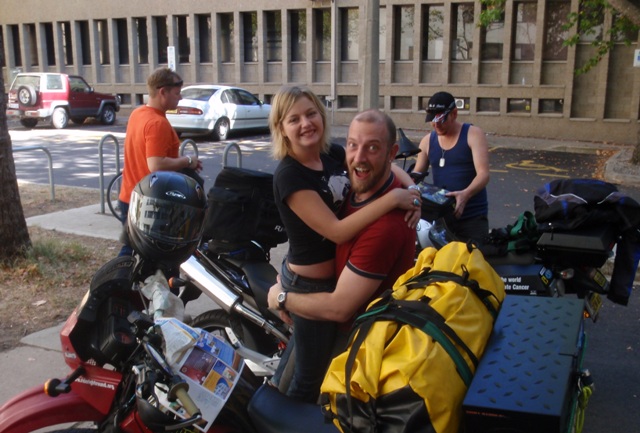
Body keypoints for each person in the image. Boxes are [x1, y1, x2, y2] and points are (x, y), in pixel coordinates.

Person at [269, 86, 420, 403]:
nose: (306, 123)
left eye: (311, 113)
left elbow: (380, 163)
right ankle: (284, 417)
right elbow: (337, 232)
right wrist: (393, 199)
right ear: (281, 128)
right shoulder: (289, 175)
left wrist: (412, 190)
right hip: (309, 284)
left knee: (306, 363)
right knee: (308, 377)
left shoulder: (331, 154)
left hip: (334, 280)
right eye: (294, 119)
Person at [117, 67, 202, 255]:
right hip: (149, 202)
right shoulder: (157, 123)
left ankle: (121, 274)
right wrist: (188, 161)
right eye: (177, 93)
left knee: (133, 254)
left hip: (129, 196)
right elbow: (156, 165)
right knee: (145, 256)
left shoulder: (137, 113)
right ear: (163, 92)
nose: (180, 98)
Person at [412, 91, 490, 243]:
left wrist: (466, 194)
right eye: (432, 120)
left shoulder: (473, 134)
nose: (436, 125)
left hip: (472, 218)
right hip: (442, 220)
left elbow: (483, 174)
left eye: (441, 120)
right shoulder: (427, 141)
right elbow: (416, 176)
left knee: (474, 257)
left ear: (454, 114)